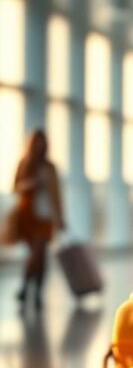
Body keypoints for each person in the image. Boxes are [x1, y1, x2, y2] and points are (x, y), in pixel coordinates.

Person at [12, 130, 64, 309]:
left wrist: (60, 217)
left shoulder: (50, 167)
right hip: (29, 215)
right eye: (37, 142)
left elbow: (57, 194)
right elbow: (15, 187)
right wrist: (32, 184)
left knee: (39, 253)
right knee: (37, 256)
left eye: (42, 142)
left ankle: (28, 289)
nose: (39, 145)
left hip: (46, 217)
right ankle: (33, 292)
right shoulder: (25, 164)